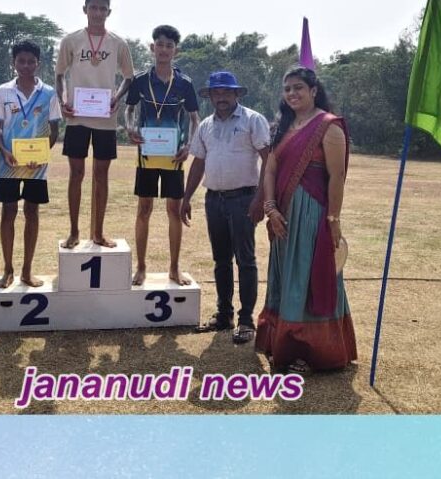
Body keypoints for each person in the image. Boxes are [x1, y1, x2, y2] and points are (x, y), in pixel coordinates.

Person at [255, 66, 357, 373]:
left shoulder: (328, 126)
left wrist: (333, 219)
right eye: (287, 89)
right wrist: (271, 209)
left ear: (313, 91)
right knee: (286, 274)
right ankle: (282, 342)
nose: (292, 93)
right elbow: (270, 170)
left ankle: (310, 350)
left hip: (311, 215)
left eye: (298, 87)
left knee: (308, 275)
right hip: (283, 214)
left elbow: (337, 176)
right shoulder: (282, 126)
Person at [182, 71, 270, 344]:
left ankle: (246, 321)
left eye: (226, 92)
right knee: (221, 260)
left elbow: (269, 161)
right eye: (215, 93)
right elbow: (198, 162)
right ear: (210, 96)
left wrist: (260, 199)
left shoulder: (253, 120)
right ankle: (224, 315)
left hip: (244, 198)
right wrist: (186, 197)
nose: (221, 97)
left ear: (236, 94)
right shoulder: (205, 125)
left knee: (246, 260)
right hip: (214, 199)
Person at [55, 0, 135, 249]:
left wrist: (116, 98)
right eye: (93, 8)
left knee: (102, 174)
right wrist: (63, 100)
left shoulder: (118, 44)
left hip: (105, 119)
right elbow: (59, 75)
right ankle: (74, 232)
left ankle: (98, 232)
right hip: (77, 117)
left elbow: (128, 78)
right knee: (76, 173)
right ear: (85, 9)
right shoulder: (71, 41)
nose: (97, 13)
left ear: (109, 12)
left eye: (102, 8)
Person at [125, 25, 199, 286]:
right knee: (144, 209)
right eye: (160, 44)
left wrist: (189, 145)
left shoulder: (184, 83)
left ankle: (174, 268)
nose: (164, 50)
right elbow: (129, 109)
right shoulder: (140, 80)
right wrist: (130, 128)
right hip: (146, 154)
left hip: (174, 157)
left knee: (174, 210)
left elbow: (194, 118)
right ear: (152, 47)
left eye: (169, 46)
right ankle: (141, 267)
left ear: (175, 51)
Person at [0, 40, 62, 288]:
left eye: (31, 61)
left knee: (32, 212)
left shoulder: (49, 93)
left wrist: (41, 155)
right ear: (14, 63)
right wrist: (4, 151)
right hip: (9, 164)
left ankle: (27, 271)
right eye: (21, 61)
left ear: (38, 64)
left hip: (36, 167)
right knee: (8, 211)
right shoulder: (3, 91)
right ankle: (7, 270)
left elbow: (54, 130)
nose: (26, 66)